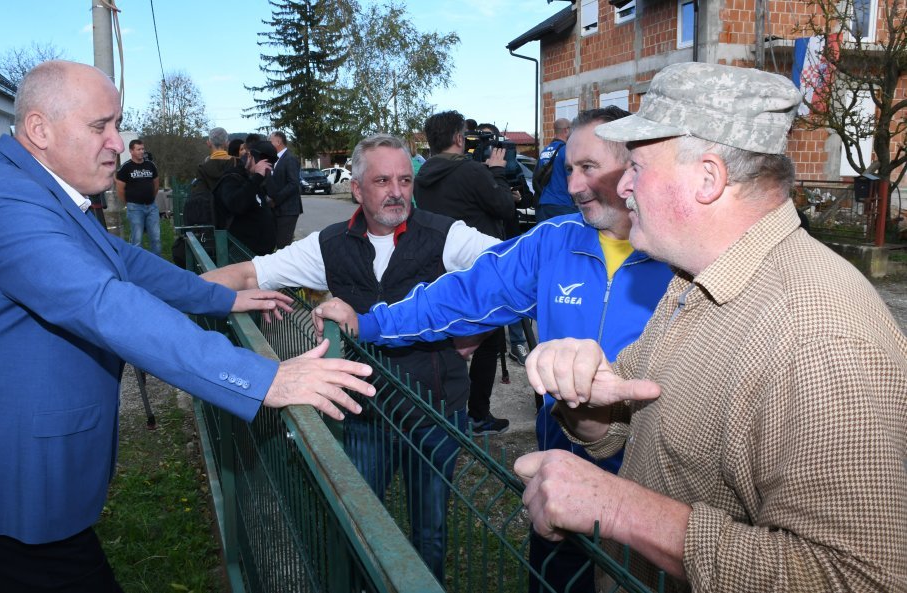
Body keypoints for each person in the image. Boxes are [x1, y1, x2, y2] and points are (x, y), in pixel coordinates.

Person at [0, 60, 376, 592]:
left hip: (32, 486)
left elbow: (128, 263)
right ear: (40, 129)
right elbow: (105, 303)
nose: (118, 143)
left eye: (117, 126)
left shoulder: (36, 191)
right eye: (101, 126)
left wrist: (221, 298)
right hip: (13, 489)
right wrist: (264, 378)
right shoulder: (6, 200)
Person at [515, 63, 907, 592]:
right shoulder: (694, 281)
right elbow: (634, 428)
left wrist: (619, 508)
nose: (622, 185)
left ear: (708, 177)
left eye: (637, 166)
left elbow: (861, 578)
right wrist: (584, 398)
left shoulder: (819, 338)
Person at [312, 107, 673, 592]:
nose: (573, 186)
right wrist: (370, 322)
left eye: (588, 168)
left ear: (632, 167)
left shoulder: (680, 258)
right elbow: (460, 296)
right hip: (558, 482)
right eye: (568, 169)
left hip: (652, 493)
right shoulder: (554, 243)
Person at [203, 134, 498, 580]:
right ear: (357, 189)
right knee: (358, 527)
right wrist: (174, 292)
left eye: (404, 179)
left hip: (436, 413)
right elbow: (247, 272)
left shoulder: (446, 235)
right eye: (382, 180)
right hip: (364, 413)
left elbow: (513, 271)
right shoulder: (329, 244)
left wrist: (475, 329)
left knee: (431, 533)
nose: (397, 191)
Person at [414, 110, 518, 435]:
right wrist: (497, 174)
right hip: (479, 268)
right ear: (459, 138)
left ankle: (444, 409)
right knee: (487, 341)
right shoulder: (470, 171)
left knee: (446, 342)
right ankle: (477, 414)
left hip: (441, 266)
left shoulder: (422, 176)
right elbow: (504, 207)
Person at [213, 140, 278, 256]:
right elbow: (236, 204)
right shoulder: (231, 178)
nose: (264, 167)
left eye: (269, 164)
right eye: (261, 162)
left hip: (260, 256)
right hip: (239, 254)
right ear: (249, 157)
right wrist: (258, 176)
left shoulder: (255, 180)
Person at [115, 138, 161, 254]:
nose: (141, 151)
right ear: (131, 151)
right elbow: (120, 189)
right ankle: (137, 266)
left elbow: (156, 184)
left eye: (142, 149)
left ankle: (158, 264)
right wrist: (129, 203)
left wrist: (151, 198)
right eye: (138, 149)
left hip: (151, 207)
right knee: (137, 239)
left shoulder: (150, 165)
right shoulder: (126, 168)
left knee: (156, 238)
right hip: (135, 208)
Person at [534, 118, 575, 222]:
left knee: (548, 238)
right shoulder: (567, 150)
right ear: (566, 130)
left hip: (543, 205)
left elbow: (536, 177)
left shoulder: (545, 151)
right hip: (562, 205)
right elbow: (572, 181)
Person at [267, 130, 302, 248]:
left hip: (288, 210)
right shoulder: (275, 160)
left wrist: (276, 200)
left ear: (278, 141)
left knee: (283, 246)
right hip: (278, 210)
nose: (268, 144)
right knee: (278, 244)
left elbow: (293, 183)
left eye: (270, 141)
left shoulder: (289, 158)